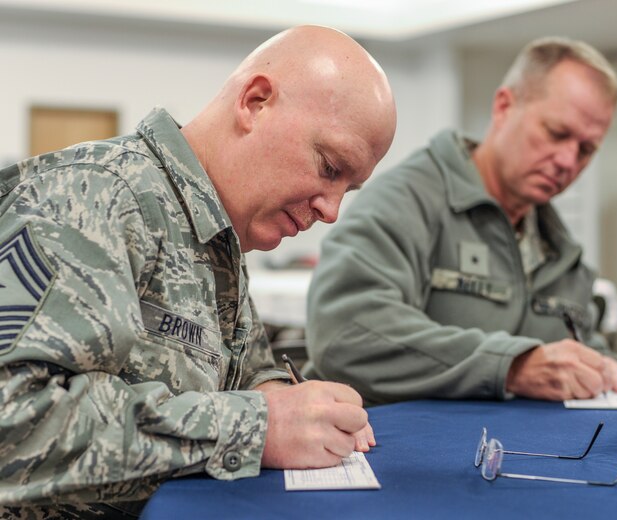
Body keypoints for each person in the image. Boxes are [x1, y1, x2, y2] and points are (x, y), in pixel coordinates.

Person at [0, 25, 396, 519]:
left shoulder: (216, 231)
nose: (332, 210)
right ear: (254, 103)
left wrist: (285, 400)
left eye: (348, 190)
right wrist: (259, 427)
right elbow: (14, 424)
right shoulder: (94, 199)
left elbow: (243, 372)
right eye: (329, 167)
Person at [305, 36, 617, 406]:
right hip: (395, 448)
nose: (567, 160)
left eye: (586, 149)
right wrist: (513, 366)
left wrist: (607, 366)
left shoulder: (556, 245)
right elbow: (347, 335)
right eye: (556, 133)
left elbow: (570, 346)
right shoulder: (408, 200)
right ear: (504, 106)